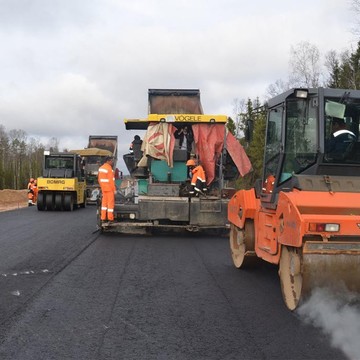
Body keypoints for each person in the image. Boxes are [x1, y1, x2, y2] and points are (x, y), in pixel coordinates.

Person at [98, 156, 116, 223]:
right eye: (111, 161)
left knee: (104, 204)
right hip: (109, 189)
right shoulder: (109, 169)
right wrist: (114, 190)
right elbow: (111, 181)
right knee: (110, 204)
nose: (112, 162)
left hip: (104, 189)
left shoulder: (101, 168)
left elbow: (99, 180)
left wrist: (102, 187)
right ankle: (110, 218)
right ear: (108, 161)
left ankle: (103, 218)